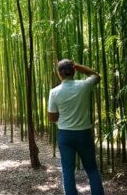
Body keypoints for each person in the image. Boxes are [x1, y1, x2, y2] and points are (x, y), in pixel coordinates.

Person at [47, 59, 106, 195]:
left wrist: (62, 119)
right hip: (84, 134)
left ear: (59, 74)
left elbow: (52, 117)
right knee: (91, 168)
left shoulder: (54, 92)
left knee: (68, 170)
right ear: (73, 71)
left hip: (65, 135)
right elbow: (97, 76)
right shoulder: (84, 85)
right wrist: (78, 66)